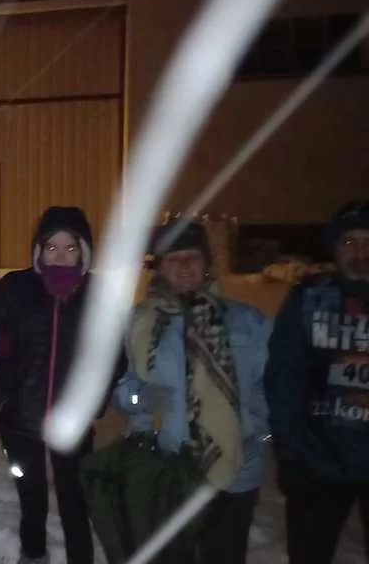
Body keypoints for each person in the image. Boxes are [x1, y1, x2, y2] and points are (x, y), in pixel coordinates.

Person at [113, 222, 270, 564]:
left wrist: (256, 433)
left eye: (193, 256)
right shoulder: (140, 321)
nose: (184, 265)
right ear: (159, 266)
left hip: (234, 470)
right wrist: (141, 400)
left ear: (207, 262)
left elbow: (269, 389)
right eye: (173, 258)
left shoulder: (247, 321)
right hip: (166, 469)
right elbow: (124, 392)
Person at [0, 206, 103, 564]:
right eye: (52, 247)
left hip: (73, 422)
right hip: (21, 420)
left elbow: (113, 354)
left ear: (83, 251)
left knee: (74, 498)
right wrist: (2, 391)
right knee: (31, 495)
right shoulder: (16, 287)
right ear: (39, 250)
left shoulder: (96, 294)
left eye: (70, 247)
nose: (60, 256)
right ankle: (33, 554)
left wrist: (95, 401)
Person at [266, 199, 369, 564]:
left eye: (368, 241)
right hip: (319, 461)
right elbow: (283, 378)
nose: (360, 253)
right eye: (349, 242)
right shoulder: (310, 299)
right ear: (334, 248)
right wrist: (290, 454)